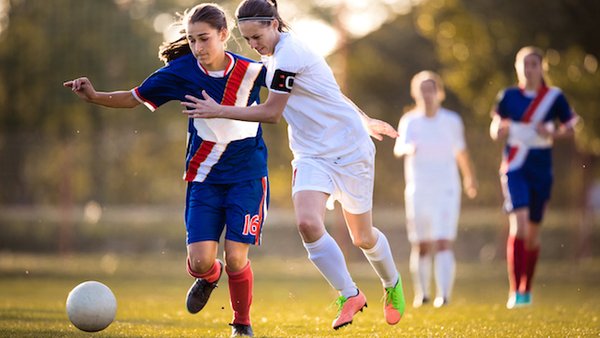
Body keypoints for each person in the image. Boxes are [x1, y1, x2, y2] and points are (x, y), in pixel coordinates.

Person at [181, 0, 406, 330]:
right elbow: (329, 90)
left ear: (274, 24)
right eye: (247, 40)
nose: (254, 45)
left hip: (350, 150)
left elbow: (272, 113)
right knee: (308, 224)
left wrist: (218, 109)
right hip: (311, 155)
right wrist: (364, 116)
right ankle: (350, 294)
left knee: (363, 237)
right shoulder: (271, 55)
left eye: (257, 37)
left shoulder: (289, 53)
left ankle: (392, 284)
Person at [64, 4, 268, 336]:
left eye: (204, 39)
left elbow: (301, 93)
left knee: (236, 258)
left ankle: (241, 325)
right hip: (204, 179)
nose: (199, 48)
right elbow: (133, 98)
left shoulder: (253, 70)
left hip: (247, 178)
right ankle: (209, 277)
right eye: (192, 40)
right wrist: (94, 96)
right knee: (201, 263)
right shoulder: (180, 72)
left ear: (224, 35)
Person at [489, 46, 577, 309]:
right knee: (520, 226)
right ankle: (516, 291)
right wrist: (500, 130)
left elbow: (571, 128)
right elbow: (495, 128)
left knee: (533, 235)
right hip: (515, 167)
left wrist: (550, 131)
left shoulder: (554, 97)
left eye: (534, 64)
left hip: (541, 170)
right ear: (518, 67)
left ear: (542, 67)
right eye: (524, 64)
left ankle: (527, 286)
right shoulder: (507, 96)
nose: (529, 69)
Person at [393, 71, 478, 309]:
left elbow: (461, 152)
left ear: (438, 92)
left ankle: (444, 295)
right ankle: (423, 294)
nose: (427, 95)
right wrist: (409, 148)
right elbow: (399, 148)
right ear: (415, 93)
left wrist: (469, 178)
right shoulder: (409, 121)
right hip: (418, 189)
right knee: (421, 245)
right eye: (422, 90)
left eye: (431, 89)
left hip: (446, 189)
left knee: (442, 241)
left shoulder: (451, 121)